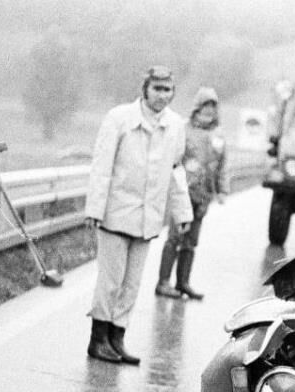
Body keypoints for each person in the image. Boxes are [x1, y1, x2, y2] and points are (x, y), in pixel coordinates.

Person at [84, 65, 192, 365]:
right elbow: (102, 165)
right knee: (110, 281)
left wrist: (182, 211)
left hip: (148, 217)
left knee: (132, 284)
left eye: (167, 90)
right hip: (116, 212)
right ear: (144, 89)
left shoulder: (175, 125)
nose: (162, 95)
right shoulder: (119, 118)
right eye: (157, 89)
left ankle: (117, 337)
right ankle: (98, 339)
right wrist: (95, 208)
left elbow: (176, 171)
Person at [156, 86, 228, 300]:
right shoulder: (183, 129)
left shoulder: (218, 135)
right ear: (197, 108)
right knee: (175, 237)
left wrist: (222, 190)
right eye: (205, 106)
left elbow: (222, 165)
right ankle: (163, 282)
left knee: (191, 241)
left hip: (203, 195)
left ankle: (183, 283)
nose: (209, 111)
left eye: (212, 107)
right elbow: (172, 158)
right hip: (183, 192)